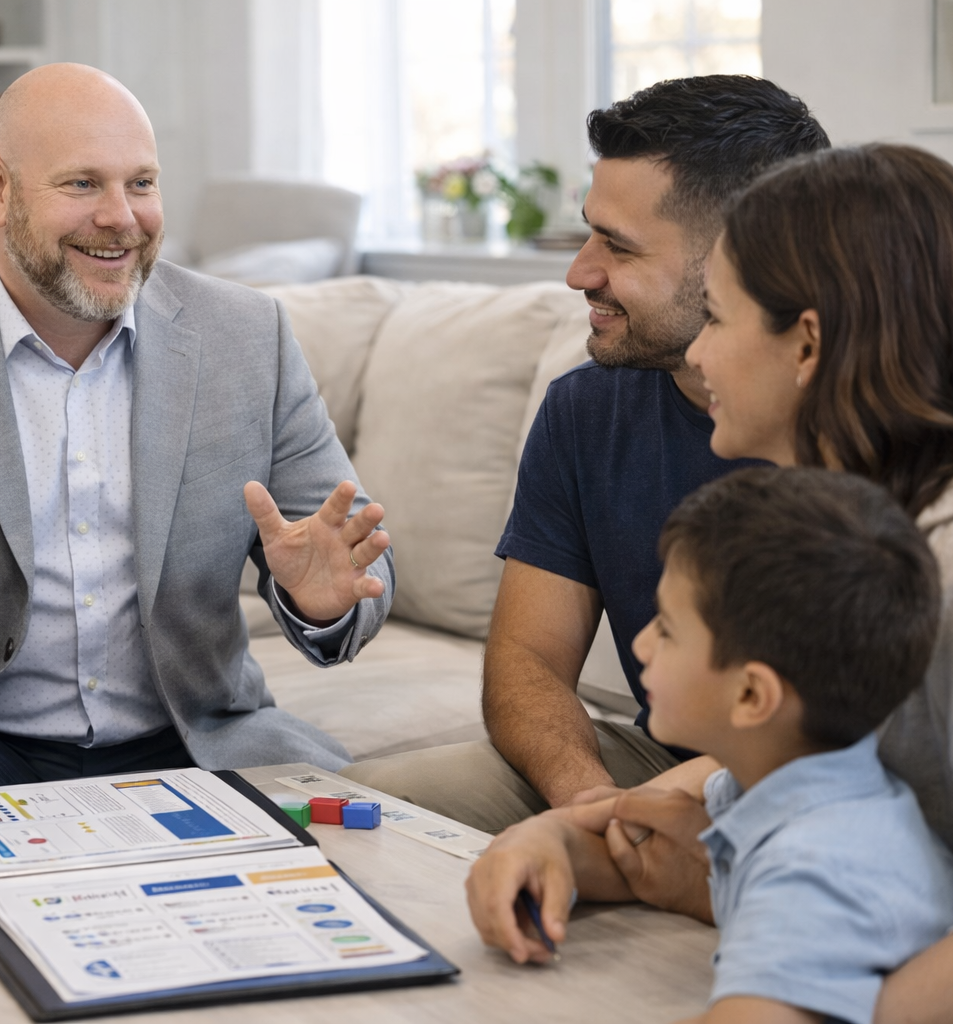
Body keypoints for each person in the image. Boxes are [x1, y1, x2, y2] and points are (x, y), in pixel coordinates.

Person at [0, 63, 394, 814]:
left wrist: (322, 601)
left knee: (345, 856)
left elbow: (357, 551)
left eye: (141, 183)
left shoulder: (248, 336)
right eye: (82, 184)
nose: (121, 216)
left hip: (190, 734)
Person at [469, 144, 953, 1023]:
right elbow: (790, 774)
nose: (698, 354)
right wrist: (559, 832)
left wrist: (791, 996)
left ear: (807, 345)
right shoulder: (843, 532)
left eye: (716, 317)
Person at [339, 76, 829, 831]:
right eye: (587, 232)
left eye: (619, 246)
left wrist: (635, 819)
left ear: (743, 259)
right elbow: (527, 660)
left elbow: (844, 725)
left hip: (822, 775)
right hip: (655, 760)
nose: (579, 271)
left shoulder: (869, 420)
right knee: (362, 807)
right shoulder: (587, 408)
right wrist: (588, 801)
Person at [475, 466, 953, 1023]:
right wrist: (547, 844)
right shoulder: (774, 788)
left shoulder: (816, 868)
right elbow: (642, 863)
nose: (639, 642)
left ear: (751, 695)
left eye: (665, 627)